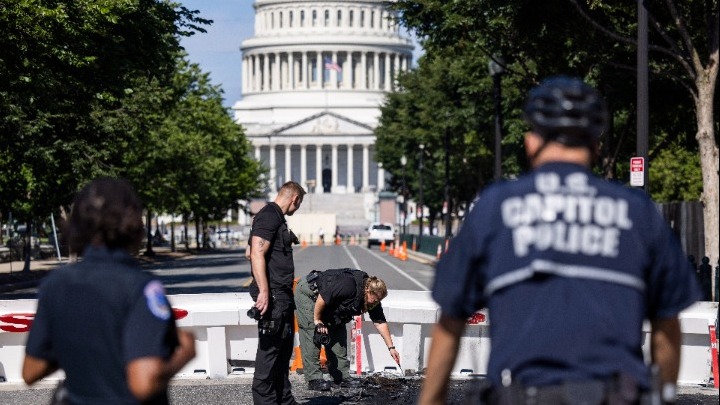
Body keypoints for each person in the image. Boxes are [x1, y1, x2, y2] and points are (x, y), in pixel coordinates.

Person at [418, 77, 701, 405]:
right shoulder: (638, 212)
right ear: (596, 145)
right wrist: (663, 395)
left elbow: (451, 320)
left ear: (531, 141)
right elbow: (667, 324)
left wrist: (432, 400)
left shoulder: (495, 207)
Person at [22, 177, 196, 404]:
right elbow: (143, 382)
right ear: (132, 222)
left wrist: (80, 345)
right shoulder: (140, 287)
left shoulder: (55, 284)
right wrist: (185, 353)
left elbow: (31, 371)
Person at [294, 268, 401, 391]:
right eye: (376, 299)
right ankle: (314, 379)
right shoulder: (348, 285)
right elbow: (322, 298)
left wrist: (391, 348)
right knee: (313, 332)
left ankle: (341, 376)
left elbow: (380, 322)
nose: (377, 302)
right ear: (368, 290)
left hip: (329, 304)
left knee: (338, 333)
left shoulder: (373, 299)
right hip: (310, 295)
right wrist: (318, 320)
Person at [248, 181, 306, 405]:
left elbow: (250, 251)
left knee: (283, 355)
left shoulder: (276, 218)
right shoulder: (269, 215)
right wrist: (263, 290)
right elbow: (255, 253)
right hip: (272, 297)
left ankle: (284, 400)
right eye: (299, 204)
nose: (297, 208)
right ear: (295, 199)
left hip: (282, 296)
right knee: (269, 355)